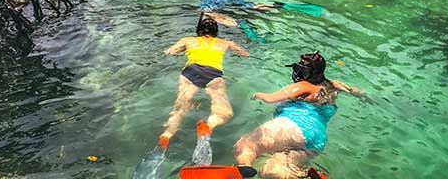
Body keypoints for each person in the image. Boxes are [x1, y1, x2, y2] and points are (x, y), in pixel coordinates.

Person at [233, 51, 368, 179]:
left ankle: (243, 169)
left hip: (294, 127)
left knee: (247, 144)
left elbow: (271, 98)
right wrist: (367, 97)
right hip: (316, 141)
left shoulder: (303, 86)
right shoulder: (333, 86)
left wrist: (258, 95)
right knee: (271, 171)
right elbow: (356, 92)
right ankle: (303, 176)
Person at [157, 15, 250, 165]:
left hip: (190, 72)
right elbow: (245, 54)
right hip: (213, 75)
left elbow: (170, 52)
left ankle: (167, 135)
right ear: (216, 31)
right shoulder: (225, 42)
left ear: (199, 31)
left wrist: (170, 50)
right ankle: (208, 126)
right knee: (224, 112)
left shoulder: (188, 40)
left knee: (181, 108)